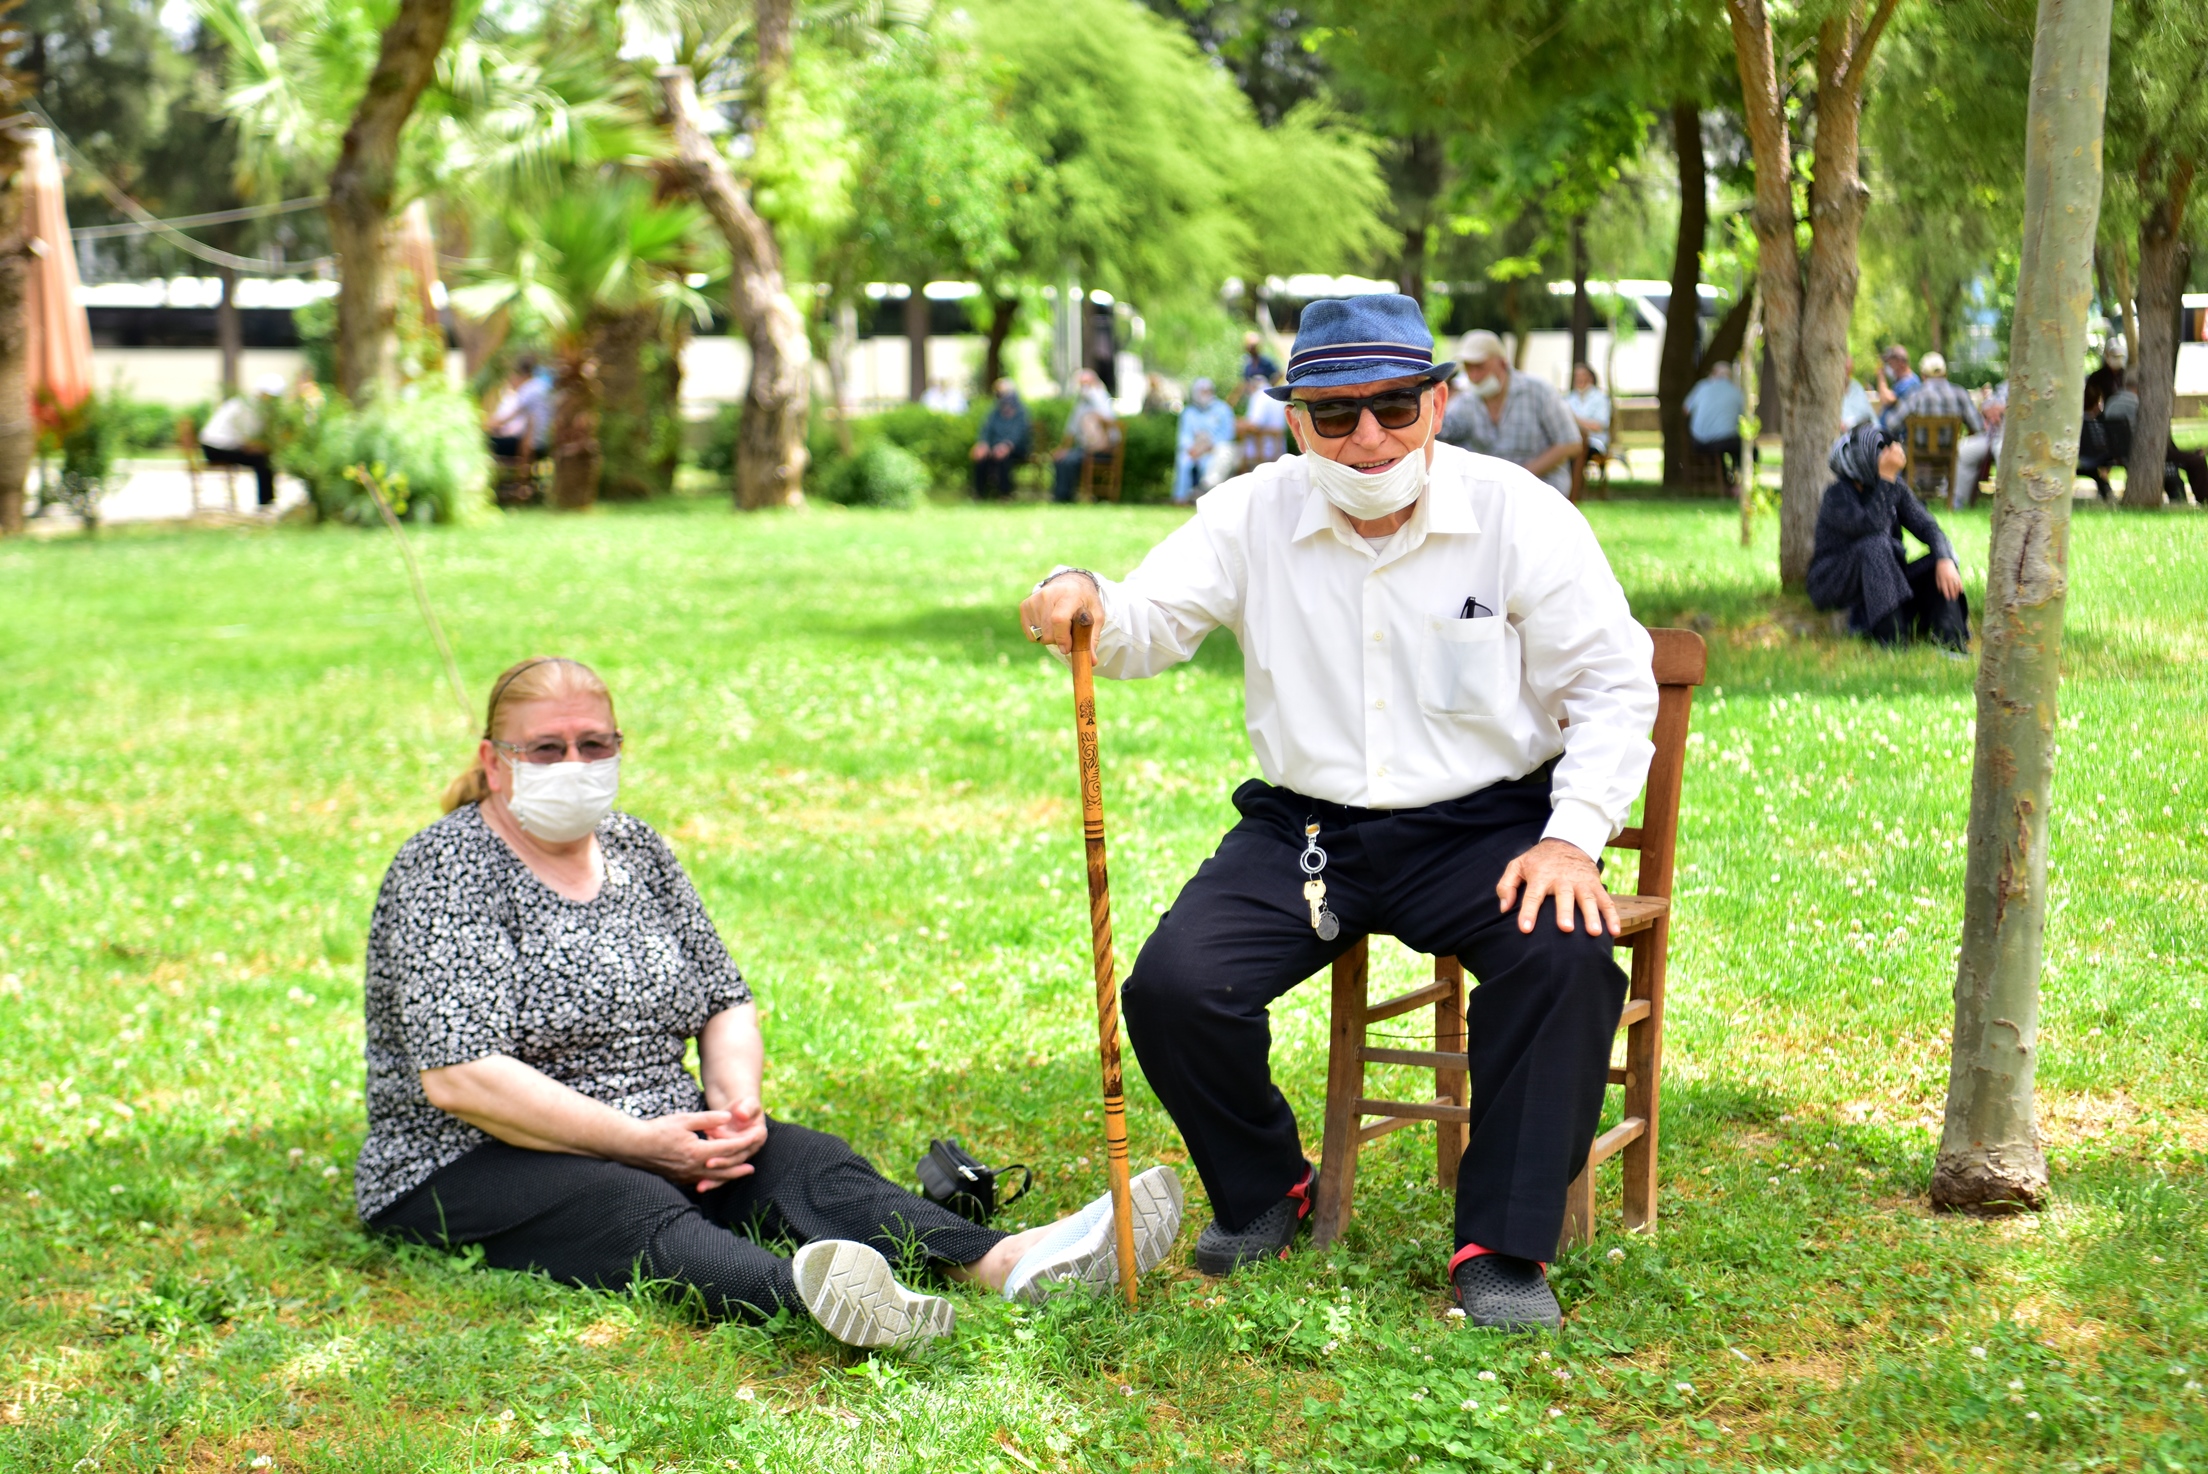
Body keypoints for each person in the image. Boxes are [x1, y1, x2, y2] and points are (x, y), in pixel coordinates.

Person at [1017, 294, 1659, 1332]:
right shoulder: (1250, 512)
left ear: (1437, 404)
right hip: (1308, 829)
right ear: (1295, 420)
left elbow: (1615, 685)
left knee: (1564, 961)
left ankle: (1501, 1249)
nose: (1369, 437)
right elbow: (1143, 622)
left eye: (1395, 406)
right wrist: (1078, 590)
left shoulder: (1519, 512)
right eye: (1336, 413)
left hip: (1491, 826)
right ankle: (1269, 1187)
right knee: (1177, 986)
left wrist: (1570, 837)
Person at [358, 657, 1184, 1344]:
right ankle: (829, 1302)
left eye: (594, 743)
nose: (574, 763)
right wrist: (640, 1143)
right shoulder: (446, 867)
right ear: (495, 760)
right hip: (466, 1158)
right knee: (629, 1202)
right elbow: (462, 1078)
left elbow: (724, 1000)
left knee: (804, 1162)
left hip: (662, 1127)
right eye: (547, 748)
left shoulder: (636, 847)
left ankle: (1004, 1261)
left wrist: (734, 1104)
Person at [1808, 422, 1969, 651]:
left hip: (1885, 582)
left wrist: (1945, 559)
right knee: (1876, 546)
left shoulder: (1893, 487)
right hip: (1837, 582)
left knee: (1940, 560)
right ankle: (1892, 639)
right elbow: (1870, 527)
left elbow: (1928, 527)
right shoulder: (1837, 495)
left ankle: (1951, 640)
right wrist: (1886, 478)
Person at [1438, 329, 1582, 494]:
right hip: (1488, 495)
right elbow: (1442, 430)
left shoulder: (1539, 391)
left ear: (1503, 363)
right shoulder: (1465, 401)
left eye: (1480, 367)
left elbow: (1571, 443)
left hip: (1541, 490)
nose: (1474, 376)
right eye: (1468, 368)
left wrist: (1521, 476)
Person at [199, 375, 284, 507]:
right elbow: (248, 439)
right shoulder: (250, 407)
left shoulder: (246, 403)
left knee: (263, 457)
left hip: (217, 445)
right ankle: (266, 502)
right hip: (216, 447)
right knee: (261, 459)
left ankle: (267, 500)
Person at [1052, 370, 1118, 503]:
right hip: (1085, 449)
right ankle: (1061, 496)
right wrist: (1063, 449)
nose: (1084, 387)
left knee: (1070, 460)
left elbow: (1111, 424)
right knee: (1061, 459)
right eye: (1082, 384)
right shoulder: (1080, 404)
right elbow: (1071, 430)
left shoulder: (1103, 399)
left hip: (1102, 450)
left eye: (1087, 383)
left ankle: (1064, 497)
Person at [1172, 378, 1239, 502]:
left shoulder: (1223, 409)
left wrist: (1208, 446)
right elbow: (1184, 436)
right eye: (1202, 391)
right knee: (1184, 461)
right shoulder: (1188, 412)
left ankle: (1204, 497)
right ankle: (1181, 499)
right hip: (1193, 450)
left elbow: (1228, 434)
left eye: (1208, 391)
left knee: (1210, 463)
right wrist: (1192, 449)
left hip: (1213, 449)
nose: (1205, 394)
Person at [1682, 362, 1747, 480]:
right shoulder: (1735, 392)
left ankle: (1725, 480)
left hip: (1698, 441)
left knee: (1722, 448)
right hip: (1724, 441)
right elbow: (1744, 415)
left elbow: (1686, 410)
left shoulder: (1702, 387)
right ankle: (1738, 481)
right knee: (1746, 450)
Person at [970, 379, 1032, 500]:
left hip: (1016, 448)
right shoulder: (994, 411)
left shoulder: (1021, 411)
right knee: (981, 457)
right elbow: (986, 429)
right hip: (994, 447)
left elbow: (1019, 433)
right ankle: (979, 493)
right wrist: (983, 444)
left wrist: (1007, 445)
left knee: (1003, 457)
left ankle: (1005, 494)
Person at [487, 355, 553, 462]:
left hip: (532, 445)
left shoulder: (529, 388)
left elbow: (508, 417)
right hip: (544, 444)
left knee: (487, 442)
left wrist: (484, 426)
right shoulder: (543, 386)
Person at [1954, 387, 2004, 510]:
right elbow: (1988, 404)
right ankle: (1959, 500)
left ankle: (2005, 501)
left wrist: (2005, 409)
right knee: (1962, 450)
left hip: (2011, 438)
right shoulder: (2003, 386)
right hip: (1990, 435)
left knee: (2003, 454)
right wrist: (1987, 409)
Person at [1237, 375, 1288, 468]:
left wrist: (1240, 424)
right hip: (1278, 452)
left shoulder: (1259, 396)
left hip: (1261, 453)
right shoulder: (1275, 395)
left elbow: (1254, 425)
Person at [1565, 362, 1611, 459]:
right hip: (1569, 441)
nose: (1579, 378)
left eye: (1582, 375)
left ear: (1590, 378)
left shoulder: (1600, 398)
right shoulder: (1569, 398)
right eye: (1577, 376)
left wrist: (1576, 420)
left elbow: (1599, 426)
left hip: (1594, 442)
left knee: (1580, 443)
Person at [1874, 344, 1919, 421]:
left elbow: (1886, 400)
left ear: (1901, 363)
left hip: (1896, 428)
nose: (1888, 367)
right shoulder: (1900, 382)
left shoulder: (1910, 382)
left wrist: (1881, 377)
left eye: (1891, 364)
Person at [1839, 355, 1876, 430]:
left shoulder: (1857, 387)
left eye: (1848, 370)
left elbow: (1872, 417)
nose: (1846, 374)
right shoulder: (1829, 392)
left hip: (1864, 432)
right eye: (1844, 369)